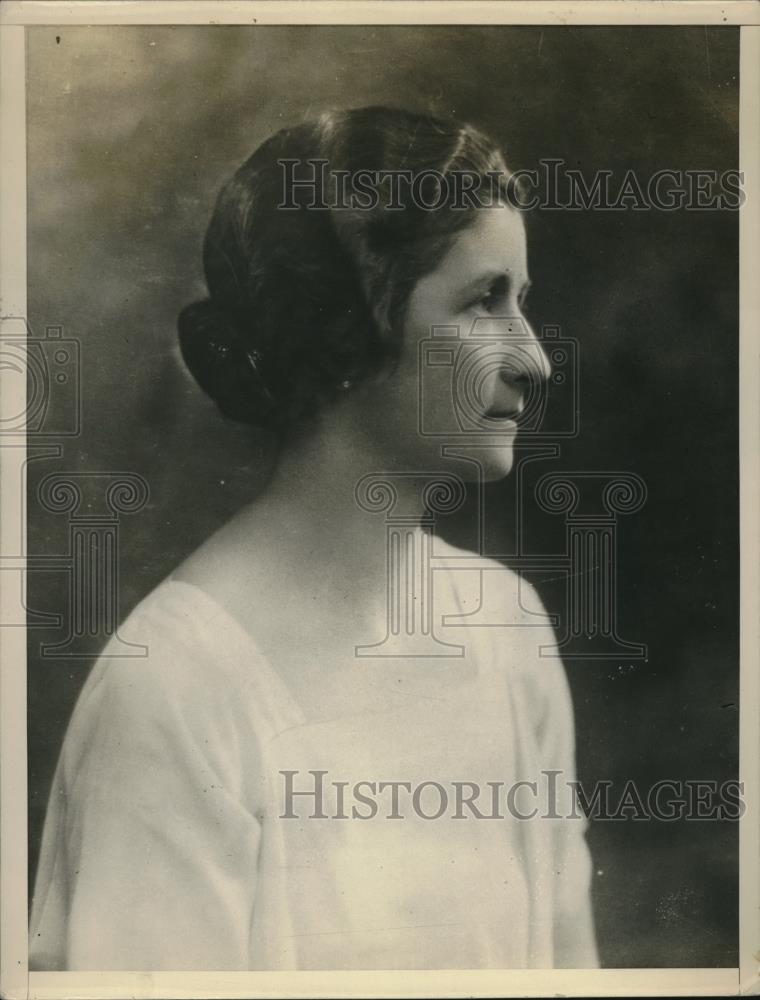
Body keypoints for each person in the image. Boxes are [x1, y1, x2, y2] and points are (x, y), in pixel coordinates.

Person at [29, 106, 599, 971]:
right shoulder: (178, 691)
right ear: (350, 331)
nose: (535, 359)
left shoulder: (507, 628)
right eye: (485, 301)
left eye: (521, 301)